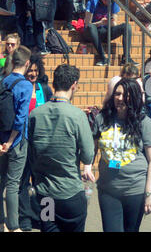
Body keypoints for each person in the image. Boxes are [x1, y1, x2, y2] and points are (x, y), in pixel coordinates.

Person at [28, 64, 95, 232]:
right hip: (70, 194)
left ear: (53, 84)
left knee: (48, 228)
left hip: (45, 194)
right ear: (74, 85)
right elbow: (88, 154)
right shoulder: (77, 115)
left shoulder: (35, 114)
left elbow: (31, 152)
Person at [93, 78, 151, 232]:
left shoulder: (144, 122)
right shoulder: (102, 119)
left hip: (135, 189)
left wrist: (149, 193)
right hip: (108, 190)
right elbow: (92, 150)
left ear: (134, 97)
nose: (120, 98)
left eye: (125, 94)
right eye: (117, 94)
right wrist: (87, 168)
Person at [18, 53, 52, 231]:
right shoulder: (21, 88)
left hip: (42, 143)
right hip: (24, 142)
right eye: (30, 70)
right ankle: (25, 218)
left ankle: (47, 217)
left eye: (35, 71)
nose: (32, 74)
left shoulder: (44, 89)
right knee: (23, 181)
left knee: (45, 181)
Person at [0, 46, 32, 233]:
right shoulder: (26, 85)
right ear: (27, 63)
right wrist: (11, 142)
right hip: (17, 140)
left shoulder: (3, 81)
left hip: (1, 138)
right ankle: (13, 226)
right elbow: (20, 118)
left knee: (0, 180)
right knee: (13, 183)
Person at [83, 0, 136, 66]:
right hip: (93, 33)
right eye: (106, 1)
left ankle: (126, 58)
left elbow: (114, 24)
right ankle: (103, 58)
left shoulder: (113, 3)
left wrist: (110, 22)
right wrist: (100, 23)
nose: (108, 4)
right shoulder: (93, 3)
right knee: (91, 27)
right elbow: (87, 24)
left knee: (127, 26)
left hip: (105, 32)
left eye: (110, 2)